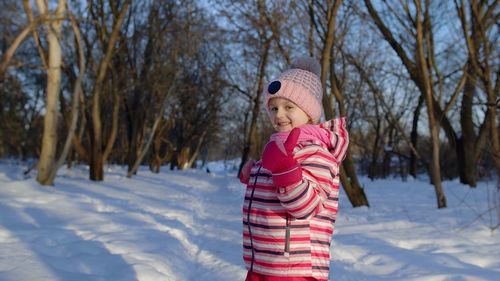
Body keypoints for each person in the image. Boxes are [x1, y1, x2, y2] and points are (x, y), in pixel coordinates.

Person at [239, 57, 349, 281]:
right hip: (264, 261)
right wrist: (257, 172)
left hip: (293, 268)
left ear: (309, 113)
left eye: (289, 107)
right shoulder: (282, 144)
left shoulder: (317, 153)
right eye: (273, 107)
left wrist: (282, 170)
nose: (279, 114)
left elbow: (306, 206)